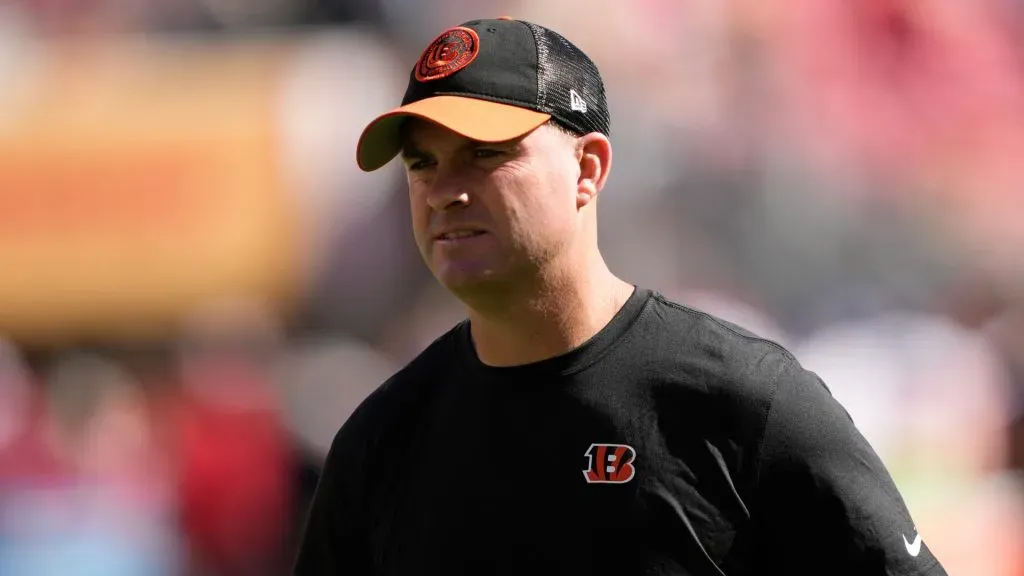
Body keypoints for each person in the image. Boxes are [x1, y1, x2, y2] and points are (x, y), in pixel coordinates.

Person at [293, 16, 949, 576]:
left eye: (484, 155)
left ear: (588, 168)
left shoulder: (743, 402)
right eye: (421, 164)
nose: (444, 190)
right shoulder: (379, 443)